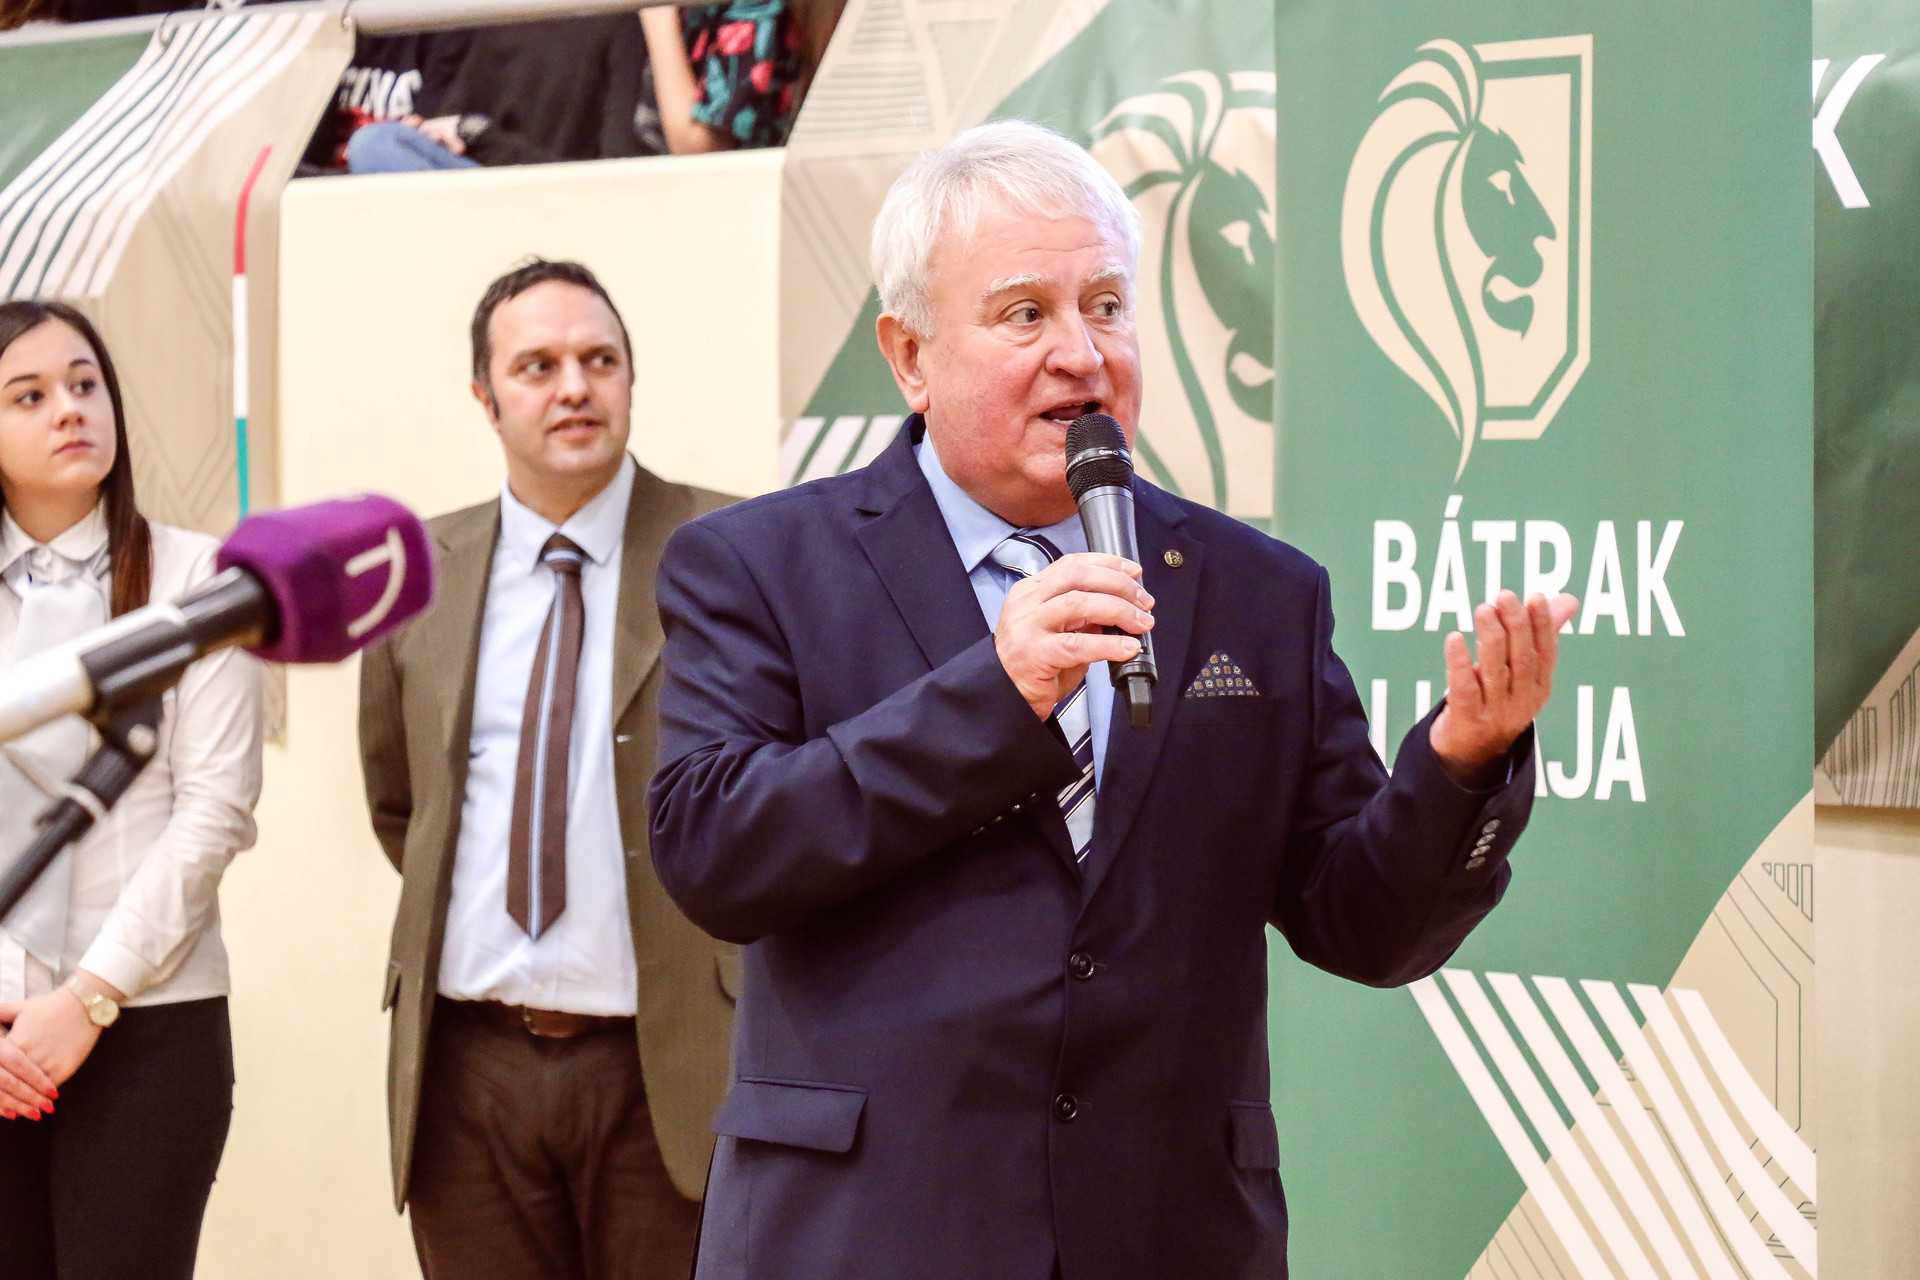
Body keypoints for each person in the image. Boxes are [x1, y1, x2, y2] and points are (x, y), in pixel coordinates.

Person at [647, 121, 1581, 1279]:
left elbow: (1364, 924)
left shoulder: (1256, 590)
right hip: (869, 1236)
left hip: (1169, 1234)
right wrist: (996, 695)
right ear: (910, 354)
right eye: (1024, 313)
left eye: (1107, 304)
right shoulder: (759, 564)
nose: (1082, 354)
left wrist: (1461, 761)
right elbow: (717, 853)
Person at [357, 259, 737, 1280]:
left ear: (630, 378)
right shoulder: (414, 573)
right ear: (485, 398)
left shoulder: (732, 549)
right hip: (467, 1069)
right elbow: (402, 808)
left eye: (598, 360)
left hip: (672, 1063)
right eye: (538, 366)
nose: (574, 386)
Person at [0, 300, 263, 1280]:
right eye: (29, 395)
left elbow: (213, 813)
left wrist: (88, 997)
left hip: (151, 1021)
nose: (70, 408)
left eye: (85, 384)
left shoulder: (203, 579)